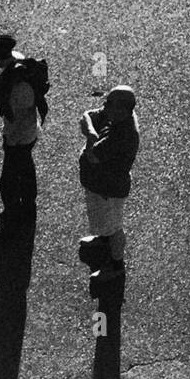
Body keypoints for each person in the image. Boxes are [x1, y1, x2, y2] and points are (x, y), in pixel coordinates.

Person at [0, 33, 48, 239]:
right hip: (27, 131)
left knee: (11, 176)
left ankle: (17, 211)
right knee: (25, 167)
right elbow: (4, 88)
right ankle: (27, 203)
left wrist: (11, 139)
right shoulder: (18, 62)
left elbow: (18, 113)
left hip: (20, 135)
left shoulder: (19, 87)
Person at [77, 85, 139, 282]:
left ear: (122, 109)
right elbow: (87, 115)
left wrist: (90, 137)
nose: (104, 106)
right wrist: (92, 133)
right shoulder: (117, 116)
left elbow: (93, 155)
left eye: (110, 103)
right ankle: (102, 240)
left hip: (108, 189)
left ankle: (115, 265)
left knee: (113, 227)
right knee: (103, 221)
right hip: (100, 184)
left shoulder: (122, 135)